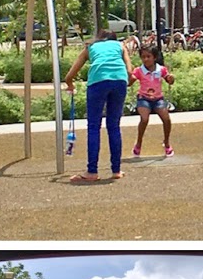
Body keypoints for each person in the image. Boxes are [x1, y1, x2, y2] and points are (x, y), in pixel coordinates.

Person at [62, 29, 134, 183]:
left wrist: (70, 84)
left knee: (94, 126)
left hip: (98, 82)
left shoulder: (91, 47)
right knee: (114, 126)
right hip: (119, 81)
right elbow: (129, 71)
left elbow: (70, 74)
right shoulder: (120, 46)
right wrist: (123, 82)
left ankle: (92, 171)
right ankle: (116, 170)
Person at [129, 44, 174, 159]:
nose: (146, 59)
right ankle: (138, 143)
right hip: (143, 98)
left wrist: (171, 79)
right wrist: (129, 76)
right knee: (144, 119)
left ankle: (166, 142)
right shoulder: (139, 70)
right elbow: (129, 83)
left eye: (148, 56)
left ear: (154, 57)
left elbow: (169, 81)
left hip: (158, 99)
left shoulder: (161, 69)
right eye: (143, 57)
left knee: (166, 119)